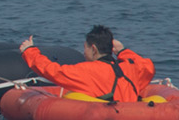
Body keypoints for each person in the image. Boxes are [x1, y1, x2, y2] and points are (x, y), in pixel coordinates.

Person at [18, 25, 155, 103]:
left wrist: (29, 51)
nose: (83, 52)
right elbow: (148, 66)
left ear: (94, 49)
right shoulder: (131, 68)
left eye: (85, 48)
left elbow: (52, 70)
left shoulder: (86, 71)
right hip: (133, 119)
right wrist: (122, 51)